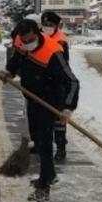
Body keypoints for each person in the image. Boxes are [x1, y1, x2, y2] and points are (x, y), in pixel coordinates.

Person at [0, 18, 79, 202]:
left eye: (30, 39)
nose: (27, 43)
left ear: (37, 33)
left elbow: (72, 81)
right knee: (36, 136)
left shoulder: (53, 52)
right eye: (24, 40)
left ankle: (44, 186)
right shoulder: (21, 43)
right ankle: (49, 174)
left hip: (51, 99)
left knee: (44, 140)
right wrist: (9, 72)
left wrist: (68, 108)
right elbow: (17, 60)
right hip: (33, 98)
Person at [40, 12, 73, 163]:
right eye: (45, 24)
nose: (47, 27)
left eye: (50, 25)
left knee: (59, 120)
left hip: (57, 84)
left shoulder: (61, 41)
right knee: (41, 118)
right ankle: (41, 145)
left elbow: (63, 65)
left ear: (56, 26)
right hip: (40, 83)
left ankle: (61, 147)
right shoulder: (38, 37)